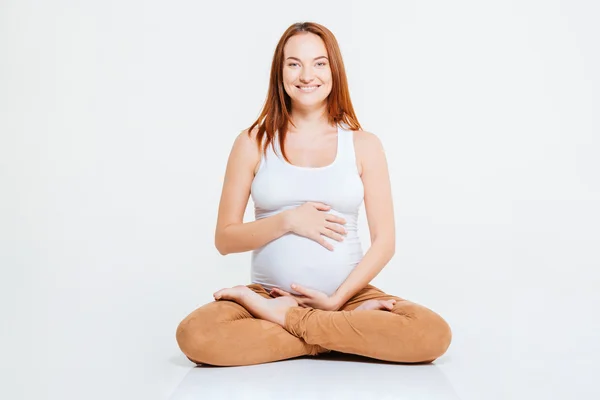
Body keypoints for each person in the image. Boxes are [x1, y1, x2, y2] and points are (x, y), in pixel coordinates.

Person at [176, 22, 452, 367]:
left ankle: (294, 324)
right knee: (196, 335)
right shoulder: (252, 142)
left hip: (349, 297)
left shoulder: (364, 145)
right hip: (267, 296)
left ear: (334, 70)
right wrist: (289, 220)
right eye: (294, 64)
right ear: (280, 73)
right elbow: (225, 239)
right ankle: (342, 338)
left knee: (430, 333)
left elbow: (385, 242)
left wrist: (337, 301)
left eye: (319, 63)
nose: (307, 75)